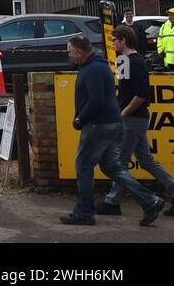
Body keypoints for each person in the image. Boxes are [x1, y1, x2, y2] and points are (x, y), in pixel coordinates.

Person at [60, 34, 163, 225]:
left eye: (71, 52)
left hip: (98, 125)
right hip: (112, 123)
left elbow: (96, 99)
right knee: (112, 167)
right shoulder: (98, 66)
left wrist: (80, 118)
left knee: (83, 166)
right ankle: (150, 201)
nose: (70, 56)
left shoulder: (93, 69)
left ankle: (84, 212)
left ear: (80, 52)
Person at [98, 25, 174, 217]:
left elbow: (141, 95)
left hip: (133, 118)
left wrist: (123, 113)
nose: (112, 42)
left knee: (119, 161)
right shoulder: (123, 60)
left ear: (124, 40)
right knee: (146, 161)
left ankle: (112, 201)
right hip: (132, 118)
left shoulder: (137, 62)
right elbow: (123, 91)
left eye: (115, 40)